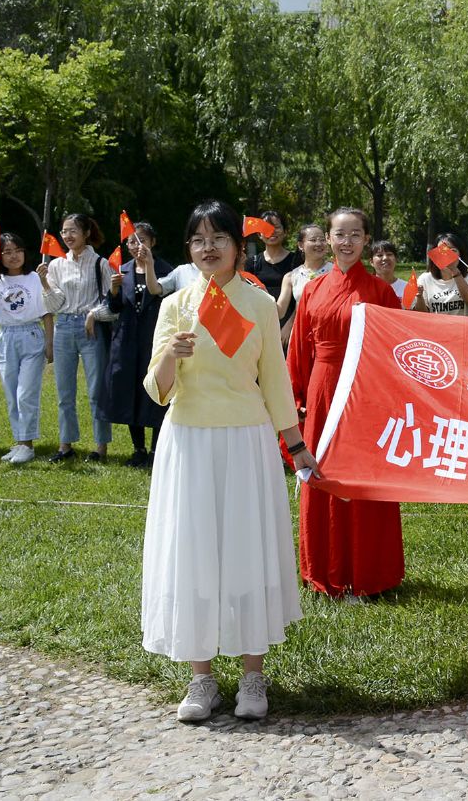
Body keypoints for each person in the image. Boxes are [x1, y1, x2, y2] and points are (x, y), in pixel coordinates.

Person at [142, 200, 313, 722]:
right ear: (188, 249)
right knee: (193, 553)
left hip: (245, 440)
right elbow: (156, 390)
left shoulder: (259, 304)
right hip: (189, 442)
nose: (208, 247)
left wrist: (297, 446)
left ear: (239, 247)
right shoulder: (176, 305)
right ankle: (202, 679)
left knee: (245, 551)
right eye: (198, 240)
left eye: (218, 238)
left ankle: (252, 676)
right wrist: (170, 355)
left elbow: (276, 382)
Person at [287, 207, 405, 597]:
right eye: (340, 234)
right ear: (328, 239)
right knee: (322, 473)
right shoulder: (313, 290)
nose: (347, 242)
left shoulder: (381, 292)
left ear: (366, 239)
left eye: (355, 234)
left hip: (365, 393)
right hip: (323, 390)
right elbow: (299, 350)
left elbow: (395, 353)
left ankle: (370, 571)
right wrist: (296, 399)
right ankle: (323, 569)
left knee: (364, 478)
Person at [0, 232, 63, 465]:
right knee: (12, 395)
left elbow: (47, 313)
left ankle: (28, 445)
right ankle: (20, 442)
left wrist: (49, 344)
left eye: (18, 251)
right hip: (6, 338)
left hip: (31, 335)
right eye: (7, 252)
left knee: (25, 393)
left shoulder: (34, 278)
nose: (14, 256)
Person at [46, 213, 117, 462]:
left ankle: (100, 448)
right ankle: (65, 446)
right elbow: (54, 304)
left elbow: (112, 303)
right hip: (63, 327)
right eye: (64, 231)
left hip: (91, 328)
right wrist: (45, 284)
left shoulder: (101, 264)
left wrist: (94, 315)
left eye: (73, 230)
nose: (68, 236)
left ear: (86, 233)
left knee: (96, 390)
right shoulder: (56, 265)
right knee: (64, 392)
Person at [106, 222, 174, 467]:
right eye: (132, 242)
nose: (137, 246)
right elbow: (114, 308)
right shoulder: (122, 270)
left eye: (142, 240)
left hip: (153, 339)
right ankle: (139, 449)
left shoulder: (166, 270)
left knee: (155, 391)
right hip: (126, 341)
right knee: (130, 391)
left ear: (152, 242)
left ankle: (156, 450)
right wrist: (114, 291)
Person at [275, 223, 330, 344]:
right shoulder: (291, 276)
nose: (319, 243)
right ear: (301, 245)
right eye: (313, 240)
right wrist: (262, 294)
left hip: (328, 333)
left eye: (322, 240)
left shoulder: (336, 272)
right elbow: (280, 312)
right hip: (301, 334)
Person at [411, 232, 468, 316]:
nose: (447, 254)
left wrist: (454, 270)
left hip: (461, 324)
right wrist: (419, 297)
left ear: (460, 255)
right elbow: (422, 314)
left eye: (453, 250)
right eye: (442, 250)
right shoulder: (425, 279)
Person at [244, 210, 298, 306]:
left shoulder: (296, 260)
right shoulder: (252, 263)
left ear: (285, 232)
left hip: (292, 315)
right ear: (259, 234)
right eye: (266, 228)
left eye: (276, 227)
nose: (272, 231)